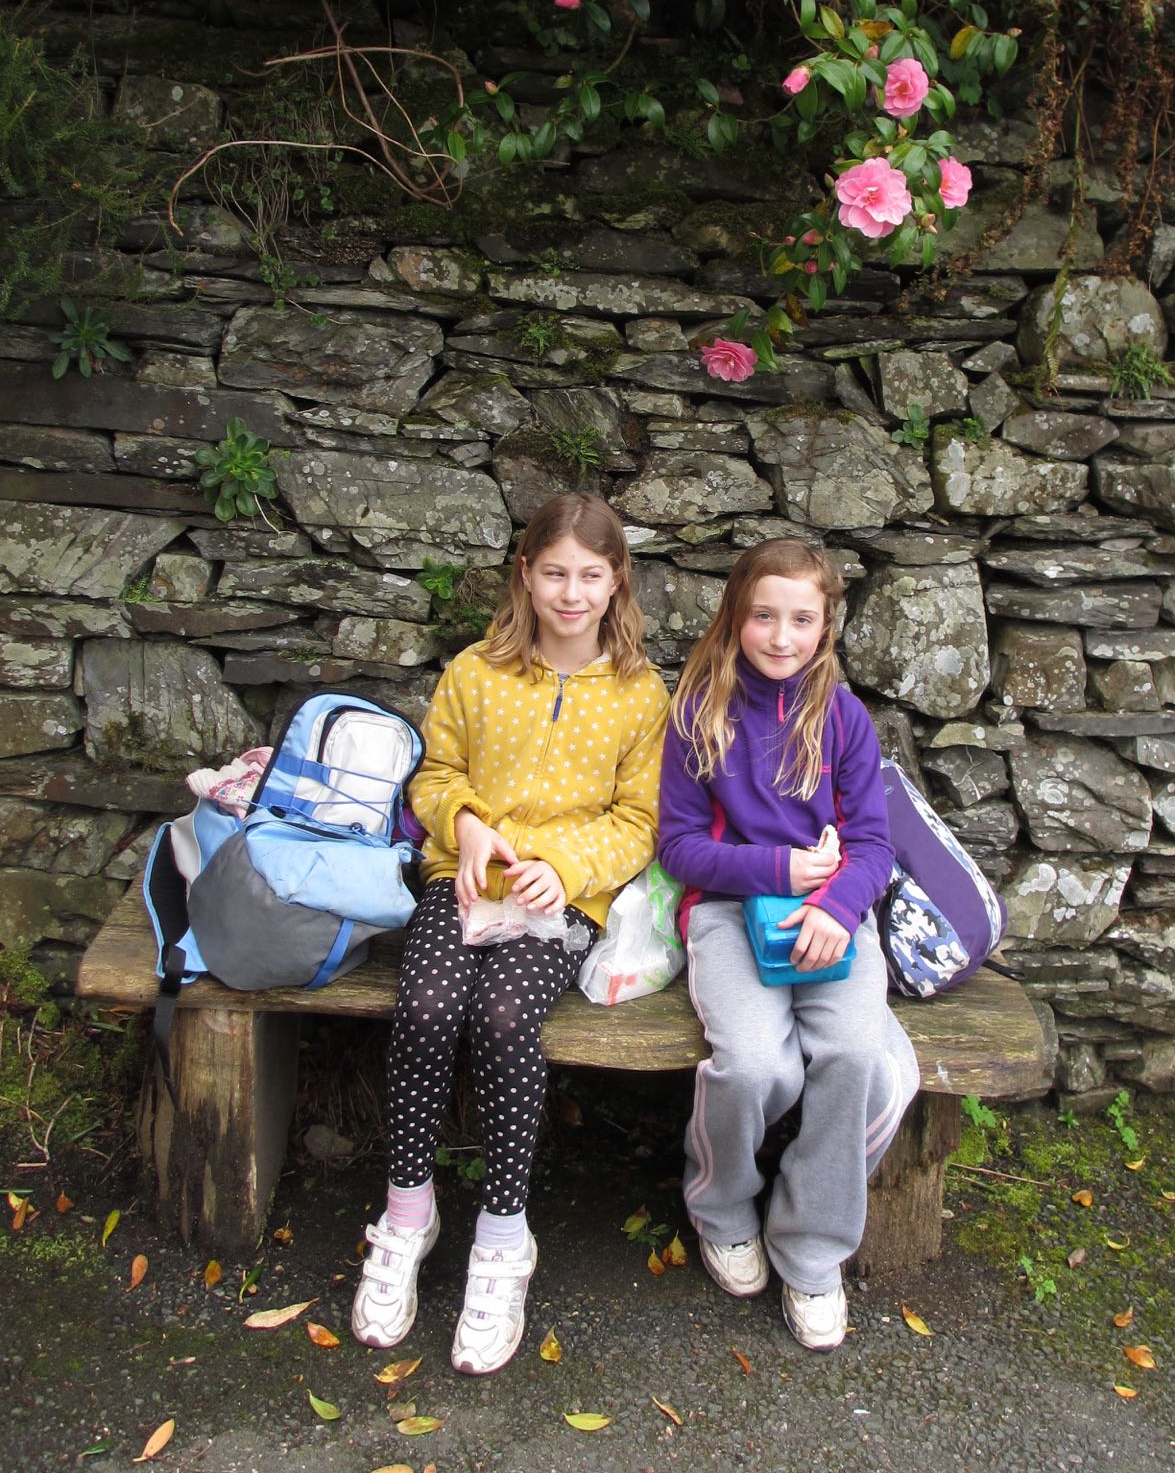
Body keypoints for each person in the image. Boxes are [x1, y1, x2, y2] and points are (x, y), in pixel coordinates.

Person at [350, 493, 669, 1374]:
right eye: (554, 573)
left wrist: (563, 866)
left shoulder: (640, 694)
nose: (571, 593)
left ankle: (502, 1236)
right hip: (463, 885)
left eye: (590, 576)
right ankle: (407, 1215)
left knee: (500, 1018)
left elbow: (640, 822)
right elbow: (434, 774)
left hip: (560, 905)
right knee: (426, 1006)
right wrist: (463, 825)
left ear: (617, 581)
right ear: (525, 575)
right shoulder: (475, 671)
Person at [657, 538, 919, 1352]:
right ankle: (723, 1209)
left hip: (833, 918)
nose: (780, 636)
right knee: (753, 1065)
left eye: (801, 619)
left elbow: (873, 844)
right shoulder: (697, 713)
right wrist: (774, 867)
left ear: (825, 625)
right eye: (763, 616)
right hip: (729, 912)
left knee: (857, 1059)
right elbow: (678, 848)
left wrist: (837, 905)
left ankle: (810, 1246)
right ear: (734, 616)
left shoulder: (843, 718)